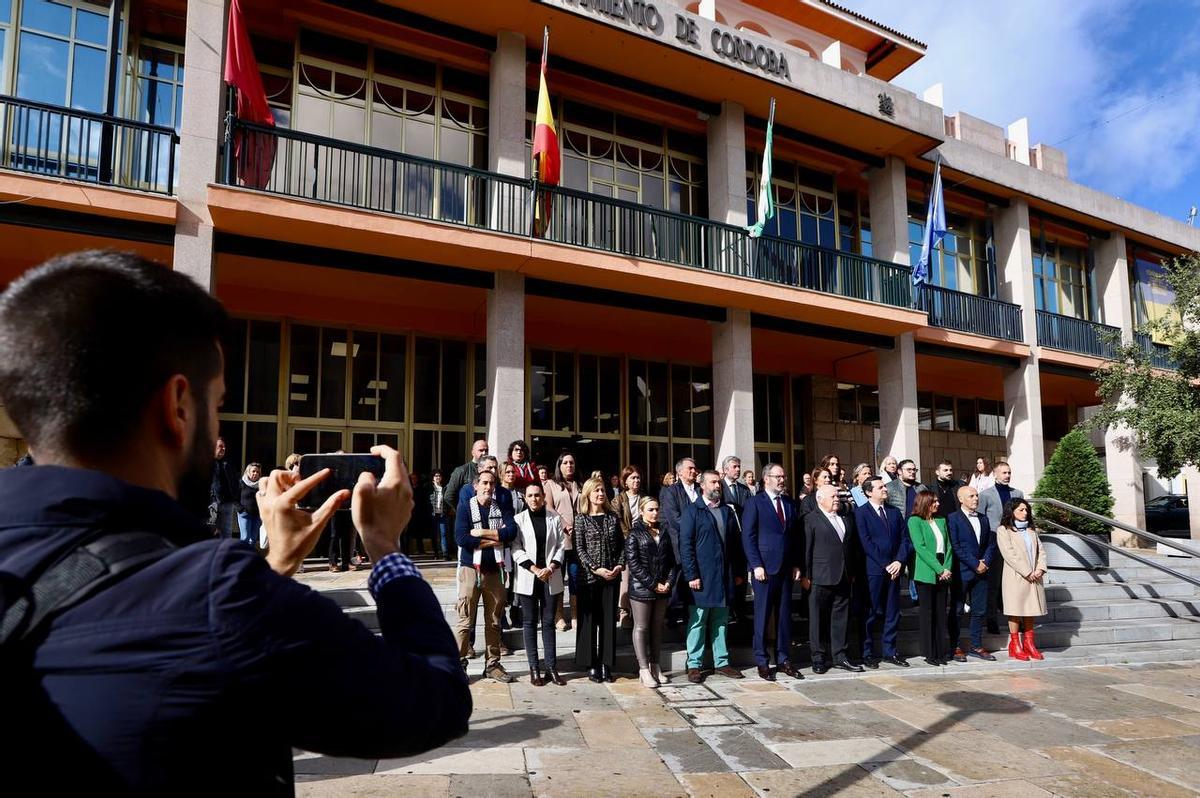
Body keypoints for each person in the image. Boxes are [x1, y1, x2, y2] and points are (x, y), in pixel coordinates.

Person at [0, 250, 469, 790]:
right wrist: (385, 546)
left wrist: (276, 561)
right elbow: (435, 701)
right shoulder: (219, 593)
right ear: (179, 406)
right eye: (218, 403)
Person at [454, 469, 517, 683]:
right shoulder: (465, 507)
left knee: (494, 621)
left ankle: (492, 665)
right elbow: (462, 538)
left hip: (495, 572)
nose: (488, 487)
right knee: (465, 621)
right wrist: (496, 538)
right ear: (476, 485)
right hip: (471, 570)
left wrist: (481, 533)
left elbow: (511, 533)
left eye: (491, 483)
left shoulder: (502, 507)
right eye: (484, 483)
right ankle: (458, 664)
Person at [679, 470, 742, 683]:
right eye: (713, 482)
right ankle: (694, 664)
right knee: (698, 621)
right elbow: (685, 546)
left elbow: (735, 545)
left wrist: (739, 573)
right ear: (703, 486)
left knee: (721, 620)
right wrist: (691, 574)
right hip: (701, 578)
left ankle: (722, 662)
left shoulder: (727, 511)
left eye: (719, 482)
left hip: (724, 576)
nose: (718, 485)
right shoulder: (692, 511)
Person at [742, 463, 803, 681]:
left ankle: (784, 658)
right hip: (764, 570)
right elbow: (748, 537)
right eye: (778, 476)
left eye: (784, 476)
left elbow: (795, 537)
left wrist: (796, 564)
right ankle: (762, 660)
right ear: (766, 478)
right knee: (763, 616)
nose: (782, 480)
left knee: (785, 617)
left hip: (786, 569)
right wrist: (756, 564)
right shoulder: (754, 503)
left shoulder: (788, 502)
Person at [853, 476, 911, 669]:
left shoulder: (894, 512)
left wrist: (898, 561)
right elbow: (865, 542)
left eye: (885, 486)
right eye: (880, 487)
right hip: (873, 571)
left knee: (893, 613)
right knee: (870, 613)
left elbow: (905, 539)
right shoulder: (861, 513)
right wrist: (886, 563)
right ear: (869, 492)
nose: (885, 489)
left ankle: (890, 651)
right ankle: (867, 652)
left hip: (894, 570)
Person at [512, 482, 566, 686]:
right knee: (529, 622)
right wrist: (534, 569)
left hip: (550, 575)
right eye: (530, 495)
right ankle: (534, 667)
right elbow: (516, 548)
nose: (534, 498)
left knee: (549, 622)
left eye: (537, 495)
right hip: (529, 575)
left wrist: (551, 567)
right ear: (525, 498)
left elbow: (561, 545)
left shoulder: (554, 519)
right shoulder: (519, 520)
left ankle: (551, 667)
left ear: (543, 497)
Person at [804, 485, 862, 674]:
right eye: (833, 496)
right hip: (820, 576)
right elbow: (807, 549)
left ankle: (840, 655)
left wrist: (851, 571)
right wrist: (806, 575)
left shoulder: (846, 518)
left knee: (841, 618)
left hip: (843, 576)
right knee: (817, 619)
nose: (837, 499)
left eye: (838, 495)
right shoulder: (810, 519)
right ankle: (818, 657)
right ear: (820, 499)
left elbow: (851, 547)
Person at [574, 476, 625, 683]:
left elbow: (622, 545)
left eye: (603, 490)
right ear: (588, 494)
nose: (600, 494)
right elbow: (580, 549)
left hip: (612, 576)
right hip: (590, 578)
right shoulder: (581, 519)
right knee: (589, 621)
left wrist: (619, 565)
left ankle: (605, 664)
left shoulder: (613, 517)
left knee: (607, 622)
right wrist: (596, 568)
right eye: (596, 491)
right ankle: (591, 662)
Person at [625, 496, 677, 688]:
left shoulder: (664, 531)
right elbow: (634, 564)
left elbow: (671, 561)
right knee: (641, 627)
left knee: (657, 627)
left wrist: (669, 582)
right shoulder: (634, 533)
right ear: (641, 511)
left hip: (663, 588)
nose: (655, 513)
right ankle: (643, 669)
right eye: (651, 510)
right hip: (642, 588)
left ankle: (655, 665)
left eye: (657, 509)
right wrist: (653, 584)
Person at [947, 485, 997, 662]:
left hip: (982, 571)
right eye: (971, 496)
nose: (976, 498)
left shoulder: (984, 518)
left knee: (979, 610)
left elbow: (990, 543)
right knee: (958, 610)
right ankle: (955, 646)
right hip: (962, 571)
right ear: (961, 499)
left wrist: (985, 562)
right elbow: (956, 545)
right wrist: (975, 563)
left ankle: (976, 645)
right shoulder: (953, 518)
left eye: (976, 495)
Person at [996, 498, 1047, 661]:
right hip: (1016, 577)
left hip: (1034, 576)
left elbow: (1041, 551)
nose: (1025, 513)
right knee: (1015, 610)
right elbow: (1009, 554)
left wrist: (1040, 568)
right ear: (1012, 511)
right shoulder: (1004, 530)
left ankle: (1029, 644)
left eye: (1026, 510)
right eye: (1021, 510)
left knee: (1030, 610)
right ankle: (1015, 644)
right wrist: (1027, 571)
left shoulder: (1032, 530)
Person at [908, 492, 954, 666]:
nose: (937, 504)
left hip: (943, 570)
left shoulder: (941, 520)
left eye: (937, 501)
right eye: (933, 501)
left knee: (941, 613)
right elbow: (920, 547)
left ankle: (941, 650)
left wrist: (947, 568)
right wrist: (939, 568)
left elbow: (948, 545)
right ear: (924, 503)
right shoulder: (915, 521)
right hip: (926, 571)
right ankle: (929, 652)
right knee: (927, 614)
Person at [978, 462, 1024, 633]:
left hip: (1014, 539)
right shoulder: (985, 495)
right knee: (994, 582)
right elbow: (982, 520)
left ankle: (1017, 618)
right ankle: (991, 618)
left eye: (1009, 472)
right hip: (994, 540)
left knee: (1015, 581)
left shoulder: (1017, 494)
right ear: (995, 475)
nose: (1007, 475)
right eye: (1004, 472)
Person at [545, 451, 582, 631]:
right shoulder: (550, 484)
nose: (569, 465)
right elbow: (548, 507)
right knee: (559, 577)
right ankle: (559, 615)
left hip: (578, 540)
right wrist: (565, 523)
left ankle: (575, 614)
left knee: (575, 577)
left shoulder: (580, 485)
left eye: (572, 462)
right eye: (565, 462)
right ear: (559, 466)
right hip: (560, 539)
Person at [609, 464, 644, 628]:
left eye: (638, 477)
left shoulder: (644, 498)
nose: (636, 481)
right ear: (625, 481)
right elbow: (617, 522)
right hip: (626, 543)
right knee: (626, 577)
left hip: (643, 543)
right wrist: (631, 539)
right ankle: (624, 611)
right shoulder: (618, 500)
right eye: (633, 478)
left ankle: (638, 611)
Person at [444, 439, 488, 515]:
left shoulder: (490, 470)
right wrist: (463, 511)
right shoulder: (461, 470)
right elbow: (448, 496)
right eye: (481, 450)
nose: (484, 453)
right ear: (473, 452)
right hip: (468, 517)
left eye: (486, 450)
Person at [209, 436, 238, 538]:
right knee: (210, 531)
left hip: (228, 503)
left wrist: (234, 496)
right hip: (212, 503)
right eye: (220, 446)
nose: (223, 449)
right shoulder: (206, 462)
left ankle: (225, 553)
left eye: (224, 447)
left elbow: (235, 480)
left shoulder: (228, 463)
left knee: (227, 533)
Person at [236, 463, 263, 550]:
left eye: (258, 472)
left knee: (253, 539)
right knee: (245, 538)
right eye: (253, 471)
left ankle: (249, 556)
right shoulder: (241, 483)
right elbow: (235, 498)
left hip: (257, 515)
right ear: (248, 472)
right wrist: (240, 509)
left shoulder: (261, 485)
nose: (255, 473)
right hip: (245, 514)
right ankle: (241, 555)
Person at [430, 469, 450, 559]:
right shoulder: (429, 488)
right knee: (434, 534)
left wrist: (448, 510)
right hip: (433, 514)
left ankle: (445, 554)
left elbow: (448, 500)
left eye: (439, 476)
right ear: (433, 478)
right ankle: (435, 554)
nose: (438, 477)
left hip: (442, 514)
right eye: (436, 476)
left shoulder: (445, 488)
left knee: (443, 534)